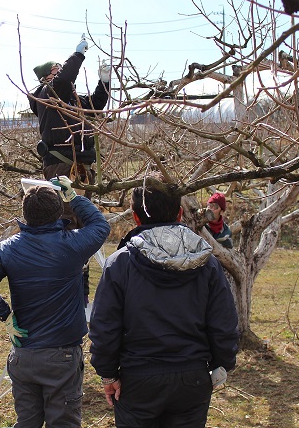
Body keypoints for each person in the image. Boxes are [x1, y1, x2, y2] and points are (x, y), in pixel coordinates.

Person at [89, 177, 239, 428]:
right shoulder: (208, 262)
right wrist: (222, 364)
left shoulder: (120, 263)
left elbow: (104, 326)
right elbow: (224, 322)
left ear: (135, 217)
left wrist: (108, 374)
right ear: (179, 213)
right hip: (191, 377)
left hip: (138, 379)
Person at [0, 176, 110, 428]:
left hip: (23, 355)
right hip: (62, 355)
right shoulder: (74, 243)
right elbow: (100, 226)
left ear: (25, 214)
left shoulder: (7, 248)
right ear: (58, 213)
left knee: (27, 422)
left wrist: (6, 315)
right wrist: (73, 198)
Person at [29, 35, 111, 306]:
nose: (61, 74)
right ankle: (62, 289)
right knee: (65, 223)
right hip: (62, 165)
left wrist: (104, 81)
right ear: (46, 78)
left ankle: (80, 292)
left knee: (81, 224)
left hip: (81, 167)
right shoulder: (46, 95)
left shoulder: (71, 99)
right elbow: (63, 81)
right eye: (55, 71)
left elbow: (97, 104)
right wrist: (77, 56)